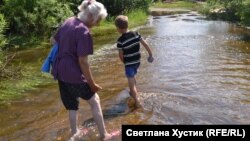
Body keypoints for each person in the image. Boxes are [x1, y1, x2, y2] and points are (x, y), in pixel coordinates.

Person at [51, 0, 114, 140]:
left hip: (60, 71)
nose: (98, 24)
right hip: (73, 73)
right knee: (95, 100)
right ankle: (104, 135)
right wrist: (92, 84)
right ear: (92, 16)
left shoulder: (69, 21)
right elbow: (83, 62)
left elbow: (53, 40)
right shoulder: (84, 32)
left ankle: (75, 133)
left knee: (72, 105)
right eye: (98, 20)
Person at [115, 15, 154, 108]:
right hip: (137, 62)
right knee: (133, 77)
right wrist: (150, 55)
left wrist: (125, 63)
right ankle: (135, 92)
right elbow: (145, 44)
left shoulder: (120, 41)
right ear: (127, 25)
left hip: (129, 64)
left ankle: (137, 102)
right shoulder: (136, 34)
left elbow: (120, 55)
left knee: (131, 85)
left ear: (118, 29)